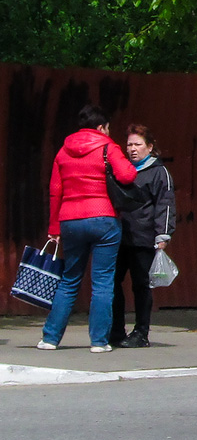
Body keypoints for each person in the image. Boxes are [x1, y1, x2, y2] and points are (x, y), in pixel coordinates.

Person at [39, 103, 138, 353]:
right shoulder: (108, 147)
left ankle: (50, 339)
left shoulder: (63, 151)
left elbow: (55, 190)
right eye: (108, 128)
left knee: (69, 280)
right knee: (102, 282)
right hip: (104, 218)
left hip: (70, 220)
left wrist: (54, 227)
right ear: (101, 127)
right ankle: (99, 341)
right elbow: (127, 176)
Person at [110, 124, 176, 348]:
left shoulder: (159, 172)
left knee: (141, 285)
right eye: (129, 144)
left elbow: (165, 204)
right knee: (111, 282)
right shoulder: (121, 170)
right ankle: (116, 331)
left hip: (144, 238)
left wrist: (162, 235)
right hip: (119, 236)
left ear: (149, 147)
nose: (132, 149)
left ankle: (141, 333)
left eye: (137, 144)